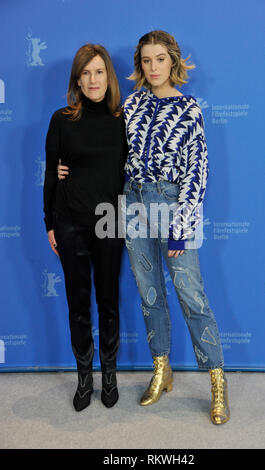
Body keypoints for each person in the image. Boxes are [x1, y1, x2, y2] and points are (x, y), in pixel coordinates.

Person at [59, 31, 230, 425]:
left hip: (171, 204)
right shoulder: (130, 106)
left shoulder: (189, 110)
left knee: (191, 295)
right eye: (147, 61)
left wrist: (181, 226)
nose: (154, 68)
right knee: (149, 294)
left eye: (160, 59)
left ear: (173, 61)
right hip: (131, 203)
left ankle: (217, 382)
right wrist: (66, 168)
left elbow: (197, 171)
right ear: (140, 64)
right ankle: (161, 370)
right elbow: (105, 150)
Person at [43, 44, 127, 412]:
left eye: (99, 72)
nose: (93, 80)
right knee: (78, 304)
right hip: (70, 222)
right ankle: (84, 379)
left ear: (108, 76)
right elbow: (51, 172)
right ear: (77, 79)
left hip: (111, 219)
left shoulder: (124, 118)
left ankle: (109, 375)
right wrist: (50, 222)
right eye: (86, 73)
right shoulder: (61, 119)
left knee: (108, 301)